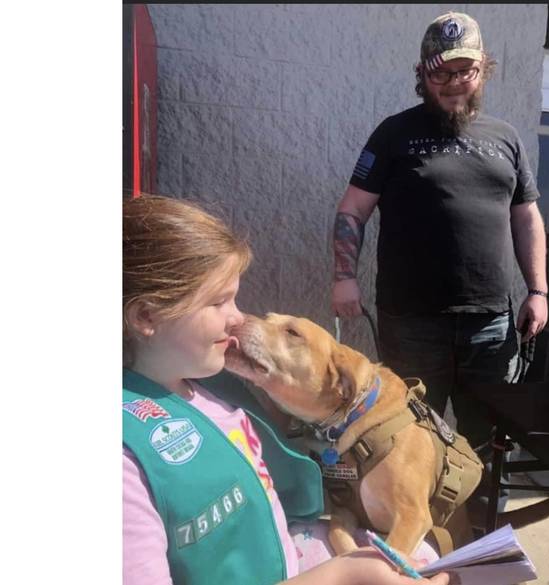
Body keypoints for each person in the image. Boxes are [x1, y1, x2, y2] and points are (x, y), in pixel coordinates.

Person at [123, 194, 448, 585]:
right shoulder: (124, 461)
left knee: (432, 557)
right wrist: (343, 576)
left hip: (284, 559)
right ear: (146, 316)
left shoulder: (215, 398)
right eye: (218, 302)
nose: (239, 317)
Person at [331, 12, 548, 457]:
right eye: (441, 72)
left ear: (482, 69)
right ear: (423, 73)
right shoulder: (394, 134)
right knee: (408, 437)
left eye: (464, 71)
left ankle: (481, 526)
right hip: (411, 322)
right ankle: (422, 526)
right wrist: (342, 276)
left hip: (491, 324)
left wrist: (538, 290)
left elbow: (527, 217)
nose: (453, 82)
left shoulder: (506, 138)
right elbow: (353, 209)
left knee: (486, 439)